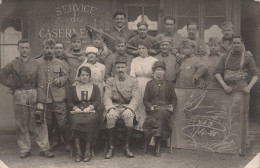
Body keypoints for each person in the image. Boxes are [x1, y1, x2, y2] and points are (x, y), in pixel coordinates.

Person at [0, 39, 53, 158]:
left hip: (34, 92)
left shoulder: (37, 63)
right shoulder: (13, 63)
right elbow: (2, 75)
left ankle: (44, 148)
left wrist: (40, 101)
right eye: (22, 48)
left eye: (26, 48)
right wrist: (13, 85)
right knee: (21, 122)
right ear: (18, 49)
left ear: (30, 49)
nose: (24, 50)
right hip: (19, 94)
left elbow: (41, 83)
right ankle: (24, 148)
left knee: (40, 121)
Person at [37, 38, 70, 151]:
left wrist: (60, 80)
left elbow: (66, 76)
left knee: (62, 122)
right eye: (47, 48)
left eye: (51, 48)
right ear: (43, 48)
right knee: (48, 123)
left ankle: (68, 144)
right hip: (45, 98)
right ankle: (50, 143)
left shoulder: (60, 63)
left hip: (58, 97)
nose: (49, 51)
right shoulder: (37, 63)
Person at [103, 56, 139, 159]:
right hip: (114, 106)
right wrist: (110, 108)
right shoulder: (110, 80)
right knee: (110, 117)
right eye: (118, 68)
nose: (120, 70)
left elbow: (136, 98)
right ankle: (111, 147)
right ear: (114, 69)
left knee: (129, 117)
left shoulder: (133, 81)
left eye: (122, 67)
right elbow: (107, 96)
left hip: (127, 106)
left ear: (126, 68)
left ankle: (126, 147)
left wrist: (130, 109)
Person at [143, 61, 177, 157]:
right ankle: (159, 143)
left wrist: (171, 106)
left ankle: (156, 142)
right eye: (157, 70)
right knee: (159, 113)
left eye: (161, 70)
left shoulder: (169, 84)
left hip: (166, 110)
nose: (159, 72)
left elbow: (174, 99)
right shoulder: (149, 84)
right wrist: (150, 106)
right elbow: (145, 99)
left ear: (164, 71)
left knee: (162, 112)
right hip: (153, 110)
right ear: (154, 72)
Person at [68, 66, 101, 162]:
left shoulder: (95, 87)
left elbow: (98, 101)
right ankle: (78, 151)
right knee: (75, 121)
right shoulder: (74, 88)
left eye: (87, 75)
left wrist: (90, 107)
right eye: (82, 75)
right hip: (77, 111)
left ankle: (88, 150)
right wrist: (75, 108)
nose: (84, 77)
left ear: (90, 76)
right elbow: (69, 102)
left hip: (90, 111)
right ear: (79, 76)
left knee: (90, 122)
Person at [130, 42, 158, 130]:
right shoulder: (135, 60)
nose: (141, 50)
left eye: (143, 48)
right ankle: (137, 128)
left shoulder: (154, 60)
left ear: (148, 49)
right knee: (138, 104)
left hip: (149, 84)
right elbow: (132, 74)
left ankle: (148, 128)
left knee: (148, 104)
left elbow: (156, 74)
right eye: (139, 48)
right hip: (137, 84)